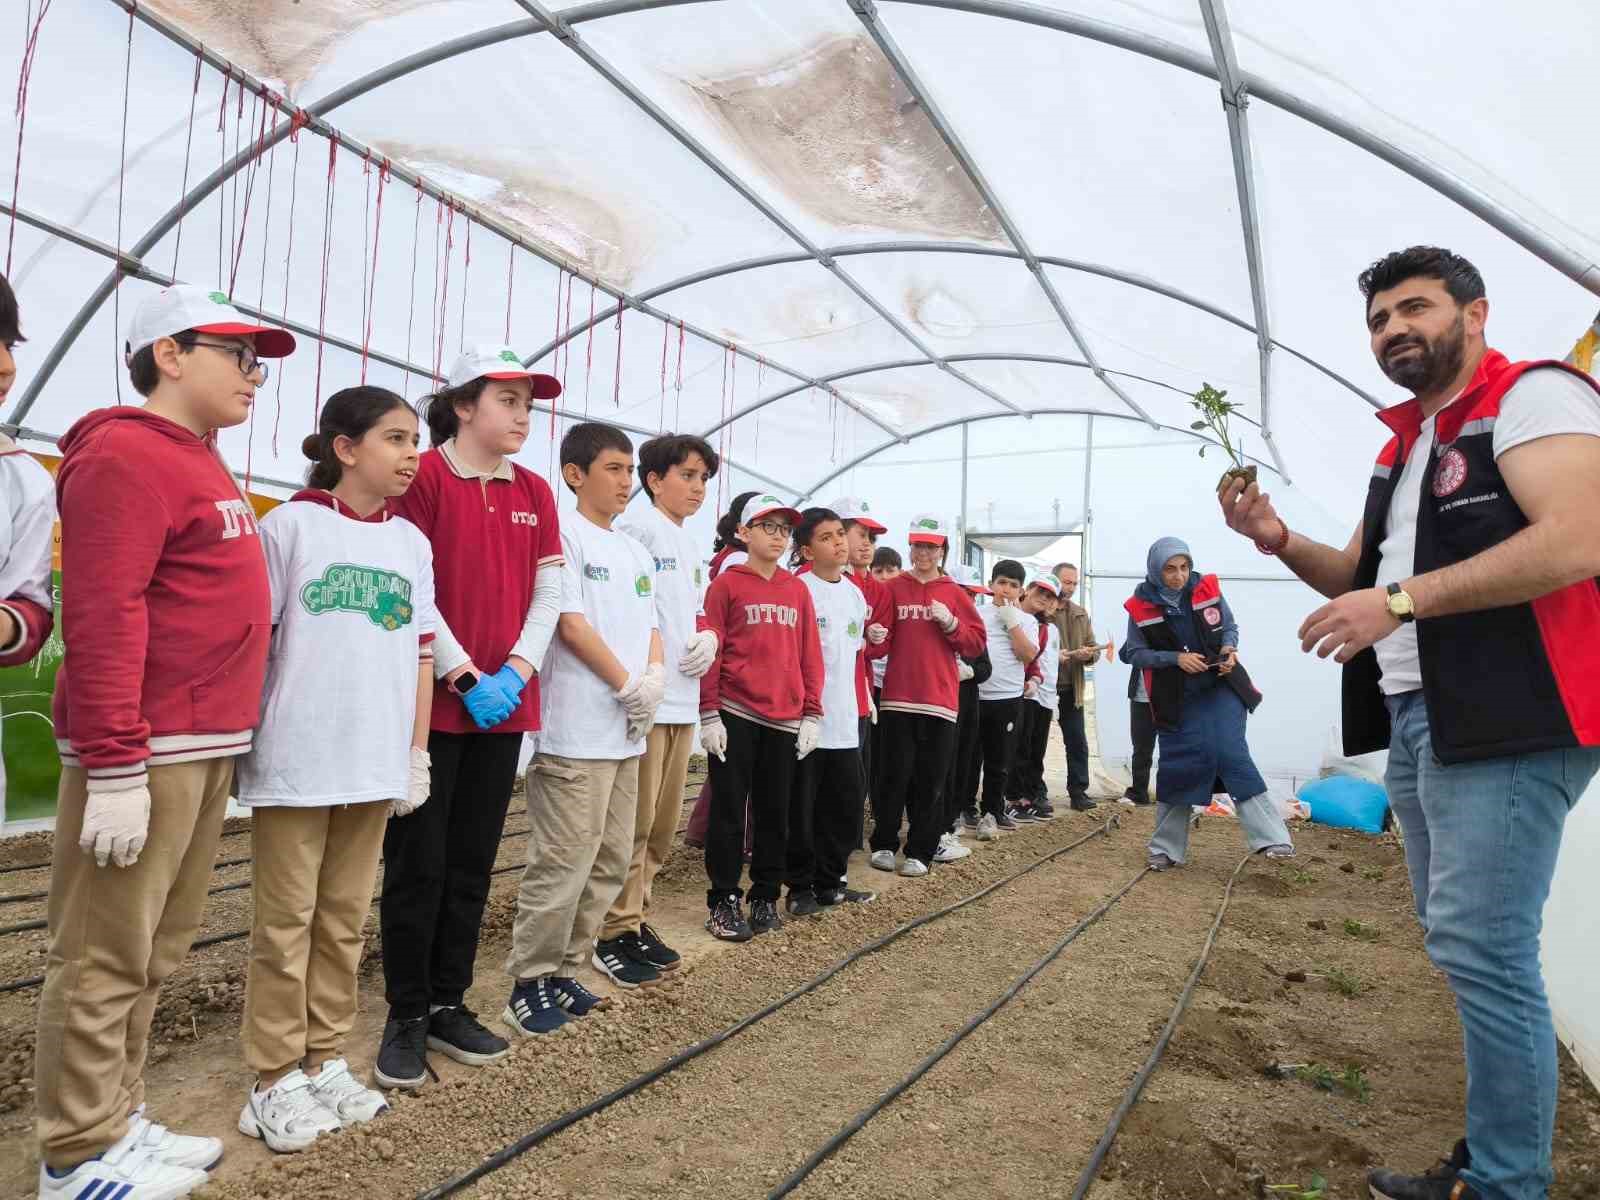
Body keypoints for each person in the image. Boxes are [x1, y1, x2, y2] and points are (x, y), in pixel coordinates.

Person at [1218, 246, 1600, 1200]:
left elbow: (1576, 540)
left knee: (1483, 944)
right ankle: (1494, 1156)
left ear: (1474, 314)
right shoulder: (1406, 443)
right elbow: (1358, 579)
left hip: (1516, 713)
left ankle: (1511, 1183)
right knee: (1458, 938)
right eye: (1380, 320)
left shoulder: (1532, 399)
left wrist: (1397, 603)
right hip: (1426, 715)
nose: (1394, 331)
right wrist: (1276, 540)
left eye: (1414, 309)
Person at [35, 285, 295, 1200]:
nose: (255, 376)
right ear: (170, 355)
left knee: (154, 949)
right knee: (104, 953)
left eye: (259, 360)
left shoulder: (201, 459)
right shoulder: (120, 456)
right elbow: (103, 612)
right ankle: (74, 1153)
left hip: (201, 742)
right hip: (150, 748)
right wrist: (114, 764)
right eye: (238, 355)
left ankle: (118, 1116)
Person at [235, 386, 435, 1151]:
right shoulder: (288, 528)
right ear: (345, 449)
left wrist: (413, 751)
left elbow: (420, 653)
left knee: (344, 922)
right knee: (284, 924)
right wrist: (242, 741)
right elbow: (259, 641)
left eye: (414, 438)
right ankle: (271, 1077)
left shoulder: (410, 544)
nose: (411, 453)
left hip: (372, 760)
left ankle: (323, 1059)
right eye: (394, 438)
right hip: (298, 757)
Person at [377, 344, 563, 1088]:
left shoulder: (535, 490)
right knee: (416, 864)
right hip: (433, 702)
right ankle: (406, 1014)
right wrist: (463, 672)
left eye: (528, 405)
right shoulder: (422, 477)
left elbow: (549, 593)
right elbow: (416, 586)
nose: (522, 416)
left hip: (504, 706)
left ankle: (451, 1001)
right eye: (508, 401)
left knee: (473, 862)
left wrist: (514, 672)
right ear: (463, 405)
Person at [503, 421, 665, 1034]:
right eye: (614, 469)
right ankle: (529, 977)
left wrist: (651, 677)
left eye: (629, 471)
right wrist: (626, 685)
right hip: (575, 731)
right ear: (575, 474)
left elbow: (650, 622)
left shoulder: (632, 549)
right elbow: (569, 623)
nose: (626, 482)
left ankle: (568, 967)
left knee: (610, 856)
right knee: (562, 860)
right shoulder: (561, 537)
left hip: (625, 733)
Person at [593, 434, 720, 982]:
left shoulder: (688, 544)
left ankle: (635, 915)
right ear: (654, 480)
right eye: (687, 476)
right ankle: (610, 930)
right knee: (634, 824)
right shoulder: (640, 530)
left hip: (681, 701)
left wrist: (707, 635)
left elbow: (692, 611)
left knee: (662, 826)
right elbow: (629, 608)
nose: (697, 488)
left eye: (703, 479)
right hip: (650, 700)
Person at [1118, 538, 1294, 871]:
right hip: (1176, 697)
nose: (1179, 576)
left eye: (1184, 567)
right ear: (1156, 569)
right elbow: (1133, 653)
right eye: (1170, 569)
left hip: (1221, 686)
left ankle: (1273, 839)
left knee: (1231, 752)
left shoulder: (1206, 589)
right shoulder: (1139, 606)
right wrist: (1175, 659)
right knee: (1178, 762)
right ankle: (1166, 849)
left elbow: (1229, 626)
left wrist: (1229, 650)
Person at [699, 495, 824, 940]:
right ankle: (724, 899)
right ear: (744, 532)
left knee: (776, 812)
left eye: (783, 529)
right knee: (729, 811)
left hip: (785, 718)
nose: (776, 536)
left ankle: (765, 895)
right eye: (767, 526)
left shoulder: (796, 589)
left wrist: (812, 711)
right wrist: (709, 711)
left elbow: (810, 652)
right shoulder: (727, 585)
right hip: (736, 711)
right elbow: (711, 649)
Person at [865, 515, 985, 876]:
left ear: (942, 550)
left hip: (940, 701)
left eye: (931, 547)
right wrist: (873, 636)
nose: (923, 553)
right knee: (892, 775)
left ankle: (921, 849)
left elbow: (976, 643)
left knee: (931, 778)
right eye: (918, 545)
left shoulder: (953, 593)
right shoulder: (894, 588)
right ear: (910, 547)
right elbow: (881, 642)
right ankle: (885, 843)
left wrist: (951, 623)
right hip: (898, 696)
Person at [788, 507, 875, 913]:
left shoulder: (854, 593)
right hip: (806, 720)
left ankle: (832, 881)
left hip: (844, 719)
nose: (840, 543)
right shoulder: (797, 590)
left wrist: (863, 702)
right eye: (827, 537)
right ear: (807, 550)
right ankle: (800, 888)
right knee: (803, 807)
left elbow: (854, 656)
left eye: (841, 534)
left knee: (843, 804)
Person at [0, 272, 57, 820]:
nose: (6, 366)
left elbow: (31, 607)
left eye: (10, 343)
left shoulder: (21, 478)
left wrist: (8, 623)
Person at [682, 489, 759, 852]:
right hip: (736, 676)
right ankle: (730, 839)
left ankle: (702, 831)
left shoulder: (728, 557)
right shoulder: (737, 565)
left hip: (728, 669)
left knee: (727, 768)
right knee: (735, 770)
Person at [826, 496, 890, 860]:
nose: (866, 544)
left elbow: (878, 651)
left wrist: (874, 639)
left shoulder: (875, 590)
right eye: (859, 533)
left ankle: (844, 849)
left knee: (855, 776)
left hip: (857, 694)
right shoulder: (812, 580)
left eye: (871, 537)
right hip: (822, 695)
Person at [970, 559, 1046, 841]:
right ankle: (963, 808)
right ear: (991, 585)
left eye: (1013, 585)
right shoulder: (976, 613)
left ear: (1021, 591)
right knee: (968, 757)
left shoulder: (1027, 621)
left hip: (1008, 698)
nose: (1006, 590)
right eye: (1001, 583)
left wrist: (1012, 623)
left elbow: (1027, 656)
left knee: (999, 760)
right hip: (975, 695)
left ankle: (992, 811)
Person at [943, 565, 992, 849]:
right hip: (939, 703)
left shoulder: (974, 628)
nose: (970, 601)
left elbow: (986, 668)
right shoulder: (934, 621)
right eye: (966, 593)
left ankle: (954, 815)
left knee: (963, 760)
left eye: (974, 595)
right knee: (940, 763)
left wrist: (970, 672)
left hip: (967, 703)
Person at [1008, 574, 1063, 821]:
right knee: (1015, 748)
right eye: (1041, 591)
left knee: (1032, 749)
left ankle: (1028, 796)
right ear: (1027, 589)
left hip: (1037, 694)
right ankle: (1012, 797)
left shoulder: (1045, 628)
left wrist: (1036, 681)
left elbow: (1037, 661)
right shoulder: (1009, 615)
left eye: (1050, 596)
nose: (1044, 598)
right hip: (1010, 692)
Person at [1050, 562, 1101, 811]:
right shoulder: (1040, 610)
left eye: (1074, 583)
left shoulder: (1080, 613)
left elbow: (1093, 648)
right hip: (1043, 687)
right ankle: (1031, 793)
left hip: (1072, 687)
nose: (1070, 588)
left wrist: (1087, 655)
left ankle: (1078, 792)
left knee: (1077, 741)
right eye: (1066, 582)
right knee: (1032, 742)